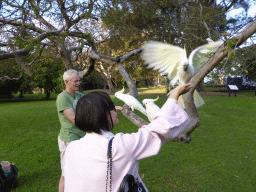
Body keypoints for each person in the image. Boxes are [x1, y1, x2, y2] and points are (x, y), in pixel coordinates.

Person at [64, 83, 192, 192]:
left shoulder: (72, 147)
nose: (115, 109)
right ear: (103, 114)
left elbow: (65, 180)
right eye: (111, 107)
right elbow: (159, 130)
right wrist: (175, 95)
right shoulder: (120, 146)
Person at [56, 69, 84, 192]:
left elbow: (94, 103)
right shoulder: (63, 97)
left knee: (79, 169)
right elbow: (73, 118)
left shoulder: (78, 95)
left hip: (80, 137)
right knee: (66, 173)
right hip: (69, 138)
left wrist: (111, 106)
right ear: (66, 81)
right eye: (75, 81)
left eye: (79, 80)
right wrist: (94, 123)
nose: (78, 83)